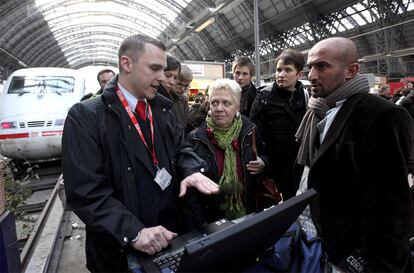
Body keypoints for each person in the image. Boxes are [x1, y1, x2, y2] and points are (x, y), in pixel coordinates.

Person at [62, 34, 219, 272]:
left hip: (171, 239)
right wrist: (133, 232)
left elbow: (182, 148)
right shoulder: (86, 117)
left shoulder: (162, 110)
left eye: (163, 70)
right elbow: (86, 192)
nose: (161, 78)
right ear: (126, 64)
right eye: (154, 68)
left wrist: (190, 170)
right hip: (121, 255)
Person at [296, 37, 414, 272]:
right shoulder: (323, 111)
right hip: (326, 246)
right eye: (310, 67)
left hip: (359, 255)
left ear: (351, 70)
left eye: (322, 66)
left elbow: (391, 204)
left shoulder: (383, 115)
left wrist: (379, 266)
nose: (311, 75)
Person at [188, 78, 269, 224]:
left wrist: (264, 163)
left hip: (248, 213)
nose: (219, 108)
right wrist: (200, 224)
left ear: (237, 107)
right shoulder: (195, 139)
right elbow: (190, 190)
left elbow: (266, 155)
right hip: (211, 219)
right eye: (214, 102)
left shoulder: (250, 132)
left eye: (226, 103)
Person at [250, 48, 307, 200]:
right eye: (278, 70)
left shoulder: (306, 98)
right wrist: (263, 160)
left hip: (297, 167)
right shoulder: (263, 97)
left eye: (288, 70)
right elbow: (254, 134)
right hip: (271, 166)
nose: (281, 75)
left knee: (293, 204)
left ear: (299, 74)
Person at [157, 54, 189, 128]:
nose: (172, 82)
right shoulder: (148, 99)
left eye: (175, 78)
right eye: (167, 75)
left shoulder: (183, 100)